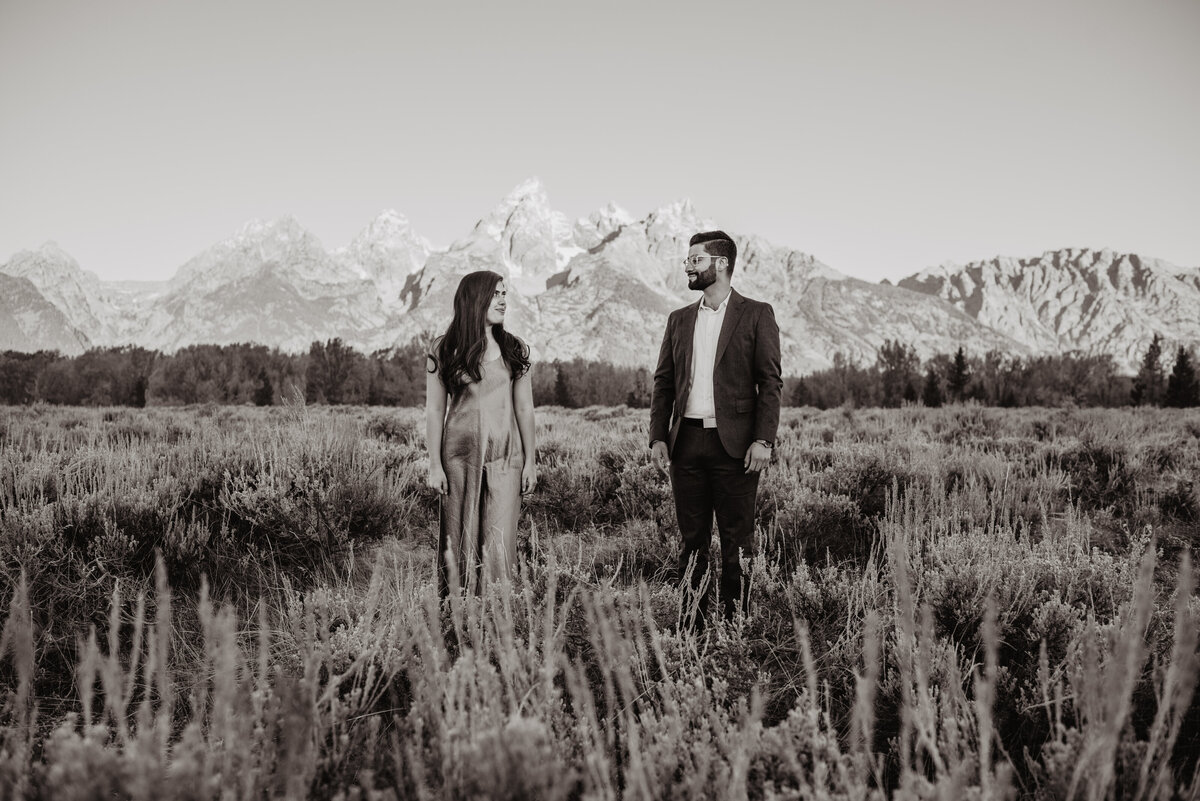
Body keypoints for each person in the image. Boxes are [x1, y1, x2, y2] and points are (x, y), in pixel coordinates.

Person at [649, 230, 782, 630]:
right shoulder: (679, 319)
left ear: (721, 264)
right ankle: (692, 628)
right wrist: (657, 435)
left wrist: (763, 439)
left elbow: (770, 382)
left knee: (736, 543)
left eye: (696, 259)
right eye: (688, 260)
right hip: (686, 444)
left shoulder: (756, 314)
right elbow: (664, 382)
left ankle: (734, 628)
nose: (688, 265)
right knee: (692, 542)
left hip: (736, 447)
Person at [425, 270, 536, 596]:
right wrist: (434, 463)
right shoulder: (444, 349)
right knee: (458, 542)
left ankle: (498, 619)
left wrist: (531, 461)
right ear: (476, 298)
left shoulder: (514, 349)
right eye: (496, 293)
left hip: (505, 458)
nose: (504, 300)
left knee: (500, 545)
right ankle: (456, 619)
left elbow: (525, 409)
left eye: (505, 293)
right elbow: (434, 410)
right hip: (459, 460)